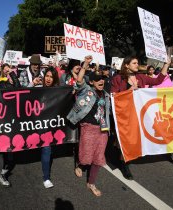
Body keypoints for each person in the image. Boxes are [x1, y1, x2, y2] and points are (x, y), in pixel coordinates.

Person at [111, 55, 171, 180]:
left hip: (137, 114)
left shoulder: (141, 77)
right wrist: (129, 91)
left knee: (131, 139)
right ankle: (124, 164)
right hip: (124, 115)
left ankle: (122, 159)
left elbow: (158, 81)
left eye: (137, 63)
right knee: (124, 139)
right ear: (126, 65)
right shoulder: (118, 78)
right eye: (134, 63)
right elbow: (114, 96)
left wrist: (166, 64)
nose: (137, 65)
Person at [66, 56, 111, 197]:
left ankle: (91, 183)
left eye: (102, 79)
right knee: (86, 155)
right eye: (97, 80)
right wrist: (85, 64)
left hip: (103, 129)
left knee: (99, 156)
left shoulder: (106, 94)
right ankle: (80, 164)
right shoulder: (87, 90)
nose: (101, 81)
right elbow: (79, 81)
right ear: (91, 82)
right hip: (88, 126)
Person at [29, 66, 60, 188]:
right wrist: (32, 83)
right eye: (47, 76)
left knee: (46, 149)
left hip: (48, 126)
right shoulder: (37, 88)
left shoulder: (58, 91)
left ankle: (46, 177)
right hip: (34, 124)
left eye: (51, 77)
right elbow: (22, 93)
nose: (48, 79)